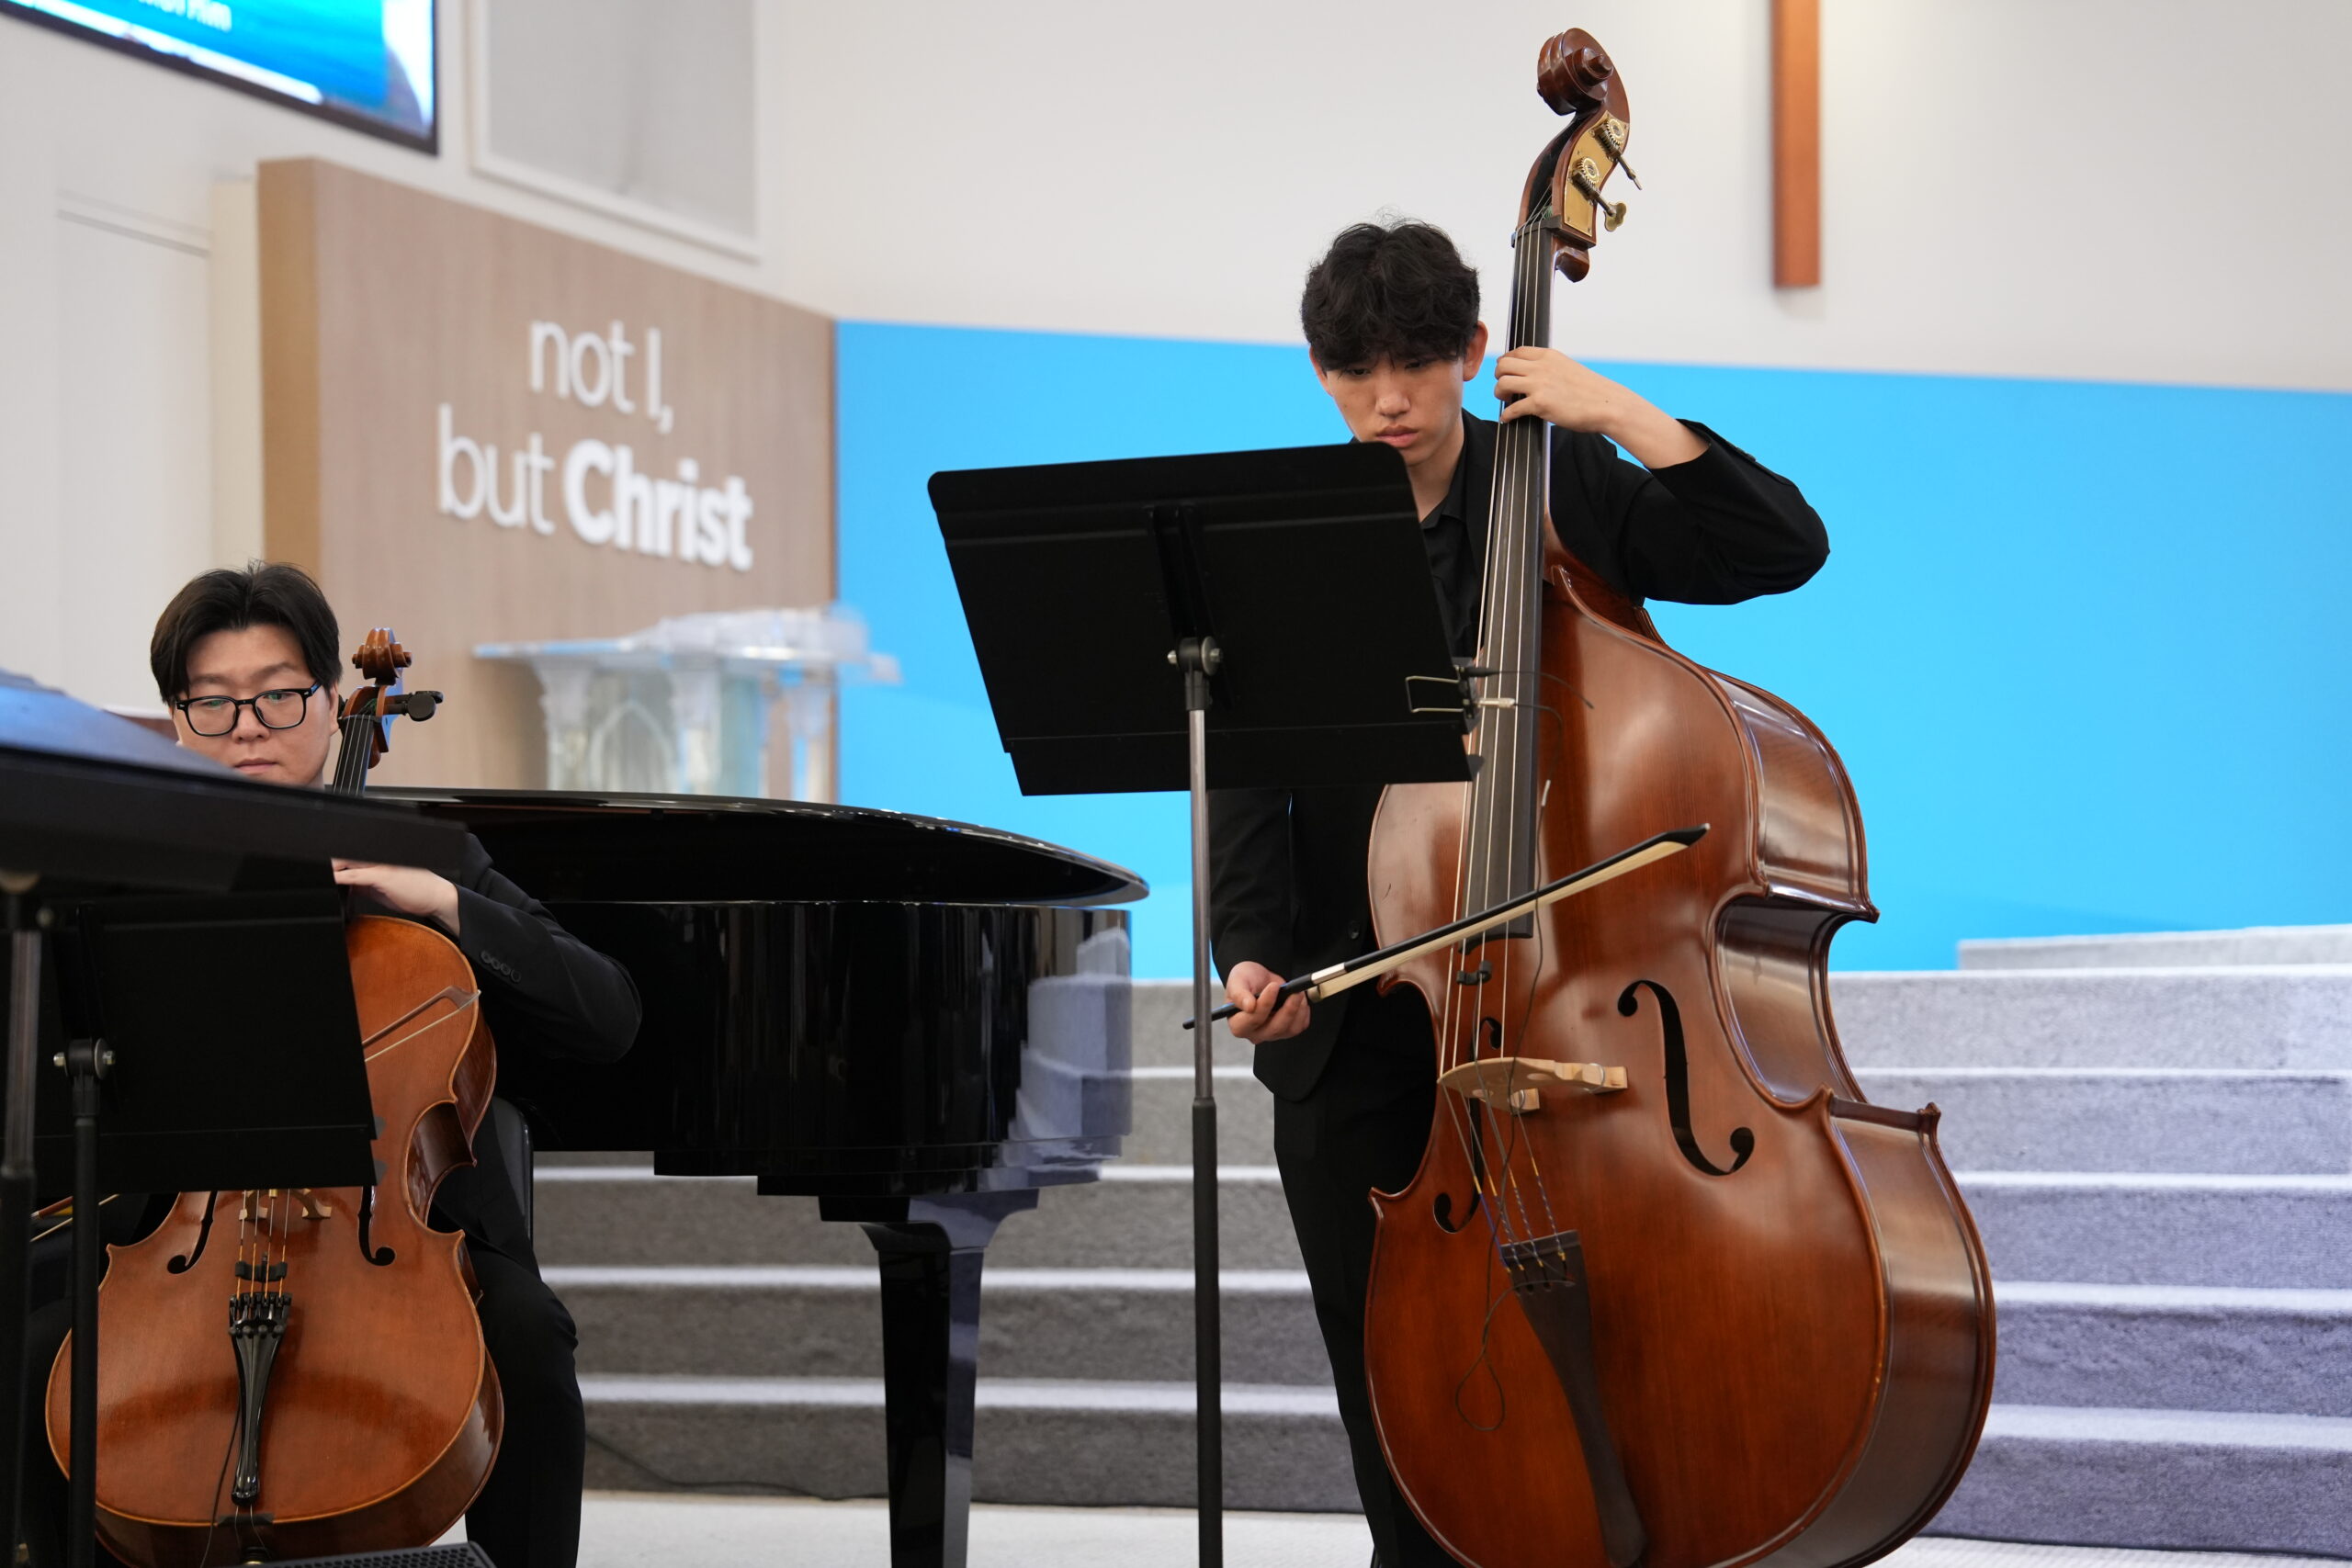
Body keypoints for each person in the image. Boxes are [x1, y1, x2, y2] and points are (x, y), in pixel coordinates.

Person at [1209, 220, 1831, 1567]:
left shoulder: (1563, 482)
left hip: (1572, 1015)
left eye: (1418, 362)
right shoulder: (1290, 534)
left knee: (1619, 1350)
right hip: (1357, 1012)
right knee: (1392, 1384)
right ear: (1319, 374)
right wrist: (1249, 953)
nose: (1388, 398)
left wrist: (1621, 414)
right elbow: (1249, 772)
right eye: (1355, 370)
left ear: (1477, 351)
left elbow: (1779, 547)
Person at [17, 562, 639, 1568]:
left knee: (527, 1340)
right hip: (178, 1238)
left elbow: (608, 1013)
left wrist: (440, 902)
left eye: (276, 695)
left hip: (396, 1239)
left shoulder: (430, 859)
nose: (247, 727)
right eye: (212, 702)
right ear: (176, 719)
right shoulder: (137, 874)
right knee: (35, 1348)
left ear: (327, 698)